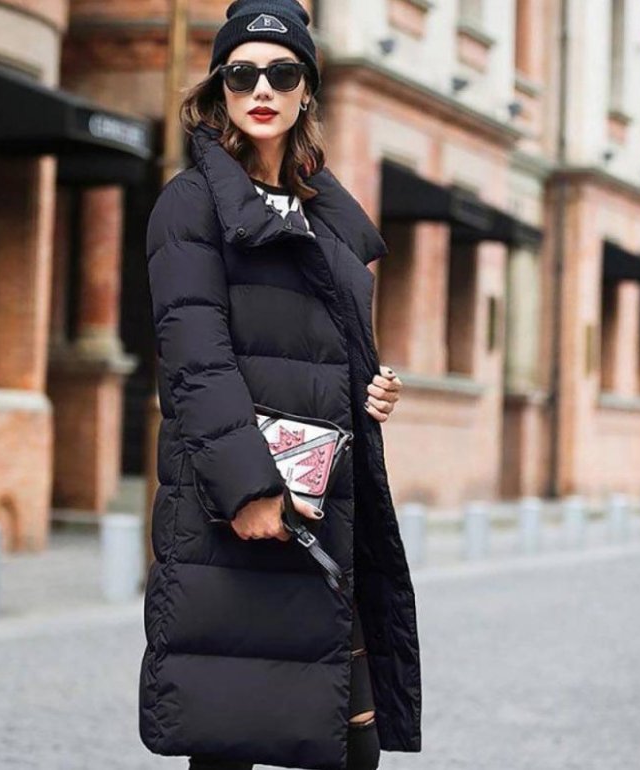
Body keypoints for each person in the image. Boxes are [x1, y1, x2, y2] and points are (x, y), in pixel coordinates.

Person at [139, 2, 422, 770]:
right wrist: (249, 490)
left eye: (282, 73)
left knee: (350, 739)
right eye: (241, 74)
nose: (261, 89)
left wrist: (374, 388)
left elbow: (330, 348)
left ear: (306, 91)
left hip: (320, 504)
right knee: (226, 731)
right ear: (219, 89)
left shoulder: (324, 214)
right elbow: (196, 361)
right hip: (235, 509)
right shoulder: (190, 205)